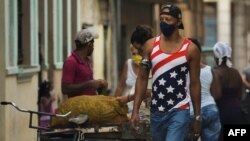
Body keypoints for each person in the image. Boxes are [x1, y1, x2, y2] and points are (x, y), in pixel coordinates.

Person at [131, 3, 201, 141]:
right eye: (161, 19)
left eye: (168, 19)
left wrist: (198, 115)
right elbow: (142, 79)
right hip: (157, 111)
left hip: (180, 109)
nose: (164, 22)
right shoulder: (150, 46)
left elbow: (195, 83)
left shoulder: (190, 49)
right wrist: (135, 110)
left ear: (178, 22)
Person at [186, 38, 221, 141]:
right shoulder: (209, 69)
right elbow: (215, 94)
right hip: (211, 109)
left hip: (192, 113)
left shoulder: (182, 73)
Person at [115, 25, 153, 113]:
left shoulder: (154, 62)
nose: (138, 54)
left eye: (140, 50)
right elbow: (121, 86)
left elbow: (149, 91)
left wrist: (128, 98)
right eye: (134, 53)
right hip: (131, 109)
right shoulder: (138, 64)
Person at [61, 26, 108, 98]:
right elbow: (65, 89)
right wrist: (88, 84)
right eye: (93, 44)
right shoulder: (71, 62)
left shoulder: (88, 61)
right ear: (89, 45)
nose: (93, 47)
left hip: (89, 104)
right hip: (77, 107)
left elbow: (86, 82)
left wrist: (99, 84)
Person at [212, 41, 245, 141]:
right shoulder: (236, 72)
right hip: (237, 109)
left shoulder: (217, 73)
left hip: (223, 111)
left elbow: (217, 95)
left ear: (216, 57)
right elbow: (240, 94)